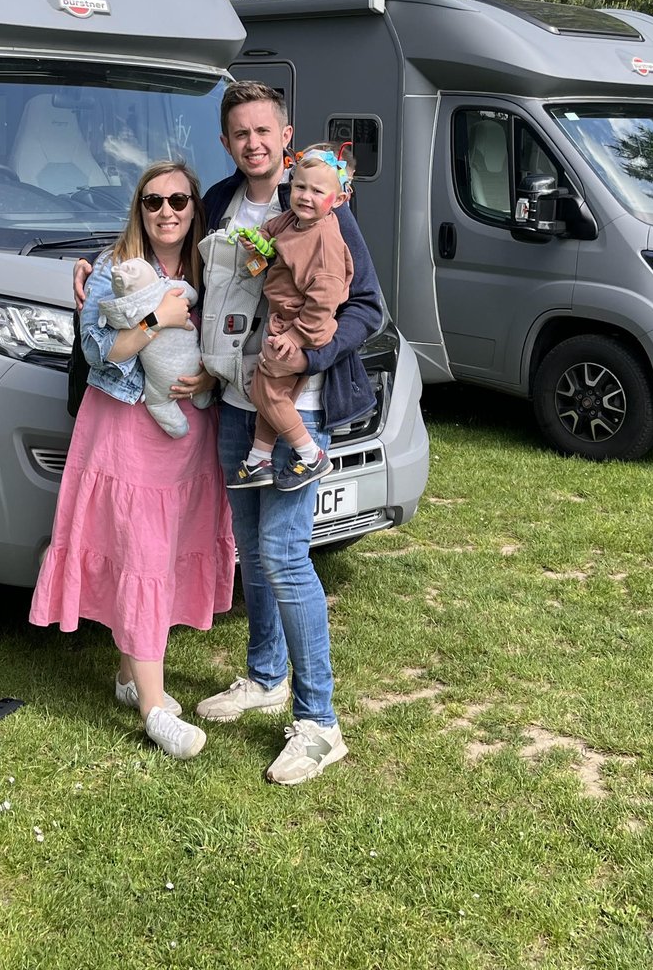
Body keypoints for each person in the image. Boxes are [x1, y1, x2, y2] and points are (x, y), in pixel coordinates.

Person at [199, 82, 381, 785]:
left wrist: (312, 353)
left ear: (286, 134)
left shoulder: (317, 201)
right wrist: (98, 273)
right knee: (250, 547)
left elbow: (367, 306)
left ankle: (319, 722)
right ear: (228, 142)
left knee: (282, 552)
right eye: (240, 133)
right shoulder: (218, 203)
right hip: (235, 403)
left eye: (264, 131)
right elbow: (182, 268)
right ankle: (264, 675)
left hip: (295, 401)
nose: (253, 143)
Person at [31, 162, 230, 760]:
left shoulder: (209, 266)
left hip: (188, 435)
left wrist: (210, 379)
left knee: (159, 551)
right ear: (138, 209)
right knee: (140, 552)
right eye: (153, 202)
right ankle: (152, 707)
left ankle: (126, 676)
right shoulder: (110, 270)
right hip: (124, 432)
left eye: (177, 200)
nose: (166, 212)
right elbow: (100, 352)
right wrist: (157, 320)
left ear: (195, 206)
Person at [234, 144, 356, 491]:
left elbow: (323, 301)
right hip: (283, 320)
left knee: (266, 392)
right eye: (300, 186)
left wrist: (297, 337)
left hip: (304, 328)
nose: (306, 196)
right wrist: (258, 242)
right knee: (273, 392)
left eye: (318, 191)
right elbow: (273, 232)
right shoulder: (294, 219)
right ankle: (259, 459)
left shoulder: (325, 242)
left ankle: (311, 455)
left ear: (337, 200)